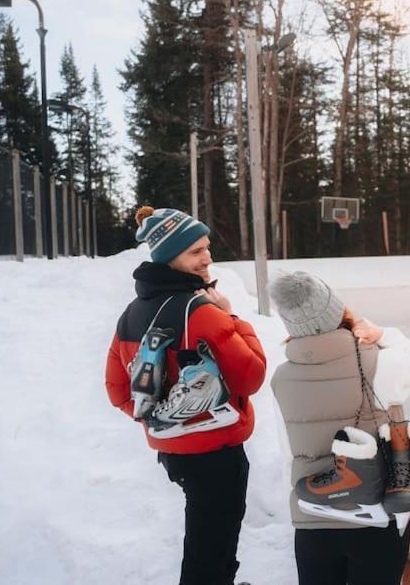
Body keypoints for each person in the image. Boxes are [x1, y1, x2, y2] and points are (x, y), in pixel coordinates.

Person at [105, 206, 267, 585]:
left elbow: (116, 389)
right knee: (212, 544)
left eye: (207, 247)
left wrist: (162, 417)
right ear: (169, 257)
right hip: (216, 453)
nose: (207, 257)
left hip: (172, 451)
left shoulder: (131, 314)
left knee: (207, 535)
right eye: (195, 252)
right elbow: (251, 376)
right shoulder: (203, 312)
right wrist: (233, 318)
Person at [269, 271, 410, 585]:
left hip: (314, 519)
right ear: (338, 311)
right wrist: (381, 334)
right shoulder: (381, 362)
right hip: (377, 522)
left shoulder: (281, 377)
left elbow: (287, 451)